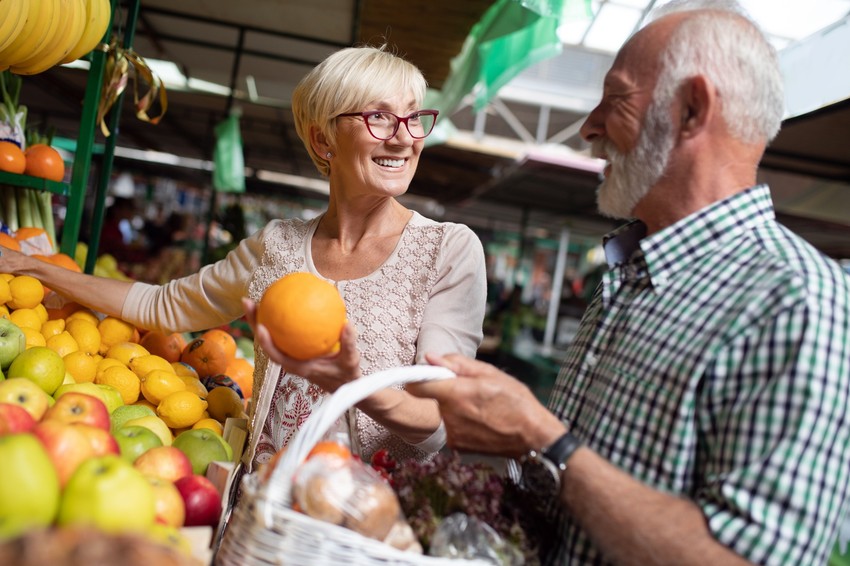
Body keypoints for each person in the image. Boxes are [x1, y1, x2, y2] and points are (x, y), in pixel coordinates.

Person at [407, 2, 850, 565]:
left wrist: (540, 437)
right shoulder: (629, 274)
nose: (589, 126)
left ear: (691, 110)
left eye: (614, 99)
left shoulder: (797, 302)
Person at [0, 44, 487, 472]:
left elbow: (440, 421)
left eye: (413, 116)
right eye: (378, 117)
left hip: (367, 529)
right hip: (260, 517)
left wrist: (354, 384)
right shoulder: (276, 246)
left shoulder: (447, 251)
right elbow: (163, 305)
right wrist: (32, 267)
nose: (404, 137)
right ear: (323, 140)